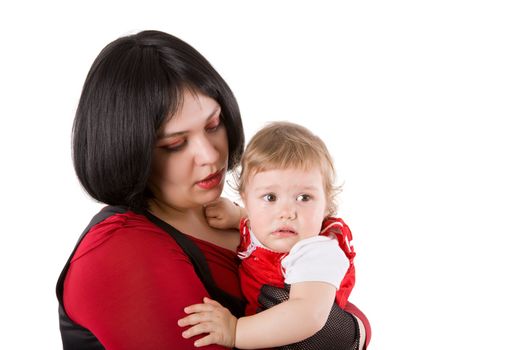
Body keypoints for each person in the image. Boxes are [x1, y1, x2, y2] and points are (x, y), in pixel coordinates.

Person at [56, 30, 247, 349]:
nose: (210, 155)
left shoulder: (232, 216)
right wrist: (348, 327)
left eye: (214, 125)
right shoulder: (119, 251)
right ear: (129, 150)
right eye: (175, 144)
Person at [178, 122, 371, 349]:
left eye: (304, 198)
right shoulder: (263, 227)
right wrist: (236, 215)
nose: (286, 213)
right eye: (270, 197)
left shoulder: (317, 251)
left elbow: (307, 315)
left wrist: (235, 331)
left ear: (327, 204)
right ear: (246, 199)